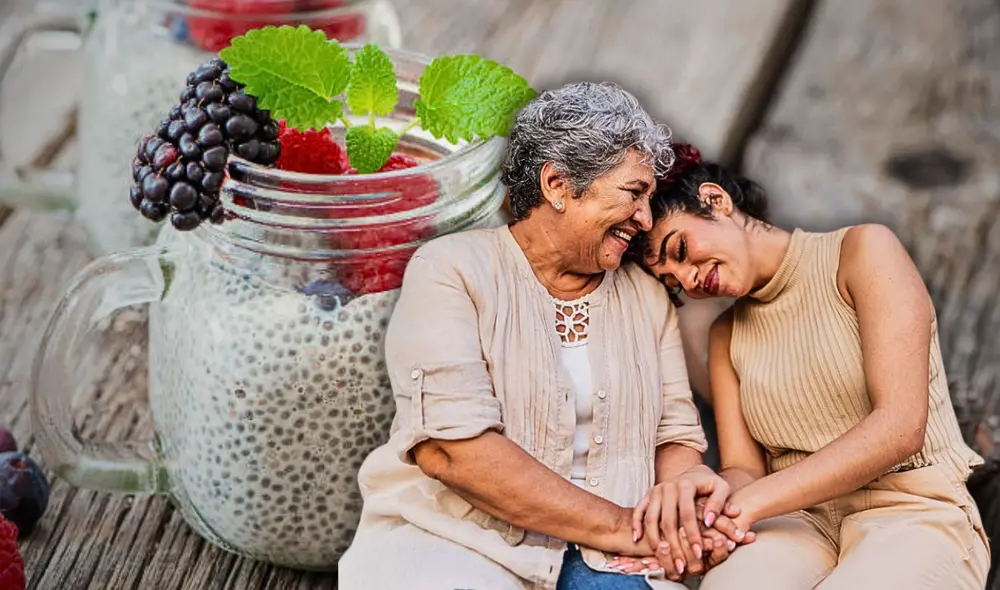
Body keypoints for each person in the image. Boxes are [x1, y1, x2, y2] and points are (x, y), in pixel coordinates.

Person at [338, 84, 743, 590]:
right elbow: (452, 451)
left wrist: (684, 502)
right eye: (633, 193)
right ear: (557, 184)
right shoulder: (452, 270)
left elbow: (675, 437)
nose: (645, 219)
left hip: (613, 559)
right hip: (459, 544)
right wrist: (623, 527)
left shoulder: (645, 297)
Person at [623, 143, 990, 588]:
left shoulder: (862, 251)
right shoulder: (725, 336)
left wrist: (749, 504)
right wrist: (704, 517)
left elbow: (900, 427)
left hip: (912, 509)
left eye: (679, 250)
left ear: (716, 200)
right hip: (796, 523)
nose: (687, 280)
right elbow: (744, 471)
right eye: (670, 282)